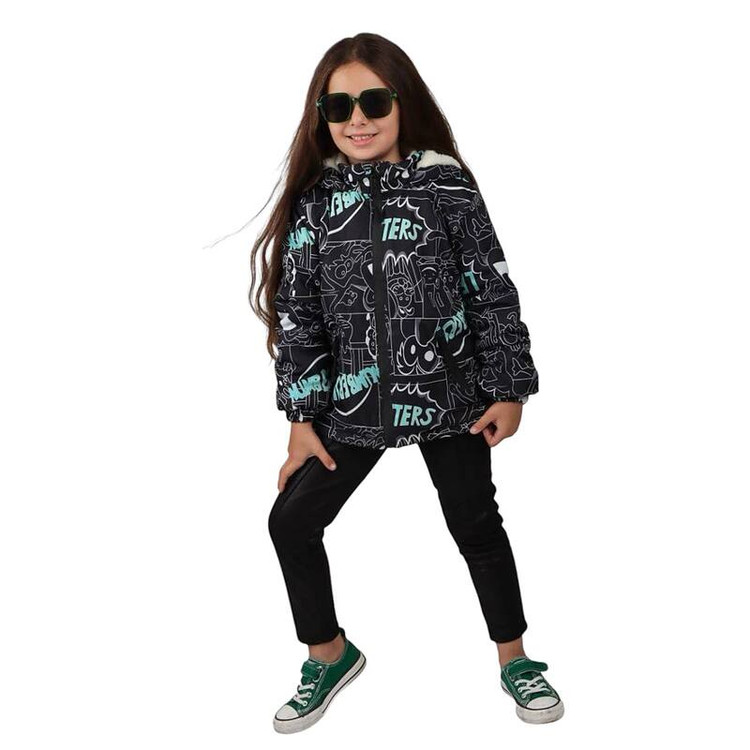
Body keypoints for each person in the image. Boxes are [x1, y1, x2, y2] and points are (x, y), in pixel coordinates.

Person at [249, 32, 564, 732]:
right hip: (353, 404)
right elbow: (299, 315)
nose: (357, 119)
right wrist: (301, 418)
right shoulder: (316, 200)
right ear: (322, 117)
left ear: (402, 102)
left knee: (475, 522)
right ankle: (328, 653)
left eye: (373, 101)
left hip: (450, 397)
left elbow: (489, 287)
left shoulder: (445, 184)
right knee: (290, 521)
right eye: (339, 107)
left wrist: (508, 387)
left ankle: (515, 659)